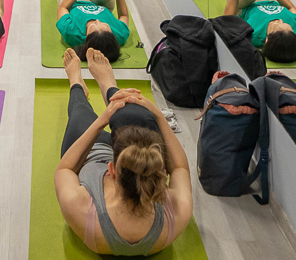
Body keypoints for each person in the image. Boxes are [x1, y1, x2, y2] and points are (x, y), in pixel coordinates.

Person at [55, 46, 193, 255]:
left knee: (80, 111)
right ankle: (108, 86)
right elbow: (180, 167)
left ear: (111, 170)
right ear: (159, 172)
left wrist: (101, 121)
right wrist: (156, 114)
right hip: (134, 157)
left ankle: (76, 83)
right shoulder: (177, 212)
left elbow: (65, 168)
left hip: (90, 154)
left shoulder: (81, 208)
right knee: (134, 115)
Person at [54, 0, 132, 62]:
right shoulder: (119, 35)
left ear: (86, 38)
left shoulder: (71, 32)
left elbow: (62, 7)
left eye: (93, 26)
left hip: (72, 2)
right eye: (104, 24)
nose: (97, 21)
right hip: (99, 2)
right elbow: (124, 15)